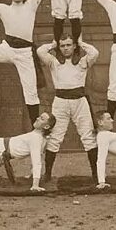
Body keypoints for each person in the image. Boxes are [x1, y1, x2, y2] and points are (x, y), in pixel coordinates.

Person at [37, 36, 100, 185]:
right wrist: (53, 44)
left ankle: (96, 173)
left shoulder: (83, 61)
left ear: (74, 46)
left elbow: (95, 53)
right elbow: (40, 51)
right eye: (63, 45)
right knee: (55, 137)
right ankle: (48, 174)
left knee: (88, 136)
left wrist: (81, 43)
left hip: (79, 102)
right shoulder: (54, 62)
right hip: (60, 102)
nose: (65, 48)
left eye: (69, 45)